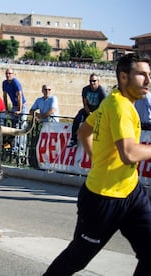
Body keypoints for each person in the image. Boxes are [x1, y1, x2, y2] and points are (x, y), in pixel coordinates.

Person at [44, 53, 151, 275]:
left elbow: (84, 131)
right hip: (103, 198)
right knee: (76, 259)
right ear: (123, 77)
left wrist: (98, 158)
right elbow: (129, 153)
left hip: (131, 192)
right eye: (141, 74)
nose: (148, 81)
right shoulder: (120, 108)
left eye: (150, 74)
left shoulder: (112, 99)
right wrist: (101, 162)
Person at [68, 73, 107, 147]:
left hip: (99, 111)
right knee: (77, 119)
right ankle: (73, 139)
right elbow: (85, 103)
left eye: (94, 81)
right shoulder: (85, 89)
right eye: (90, 81)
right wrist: (89, 113)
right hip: (88, 110)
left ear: (98, 81)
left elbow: (104, 106)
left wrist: (95, 114)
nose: (92, 83)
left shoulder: (102, 91)